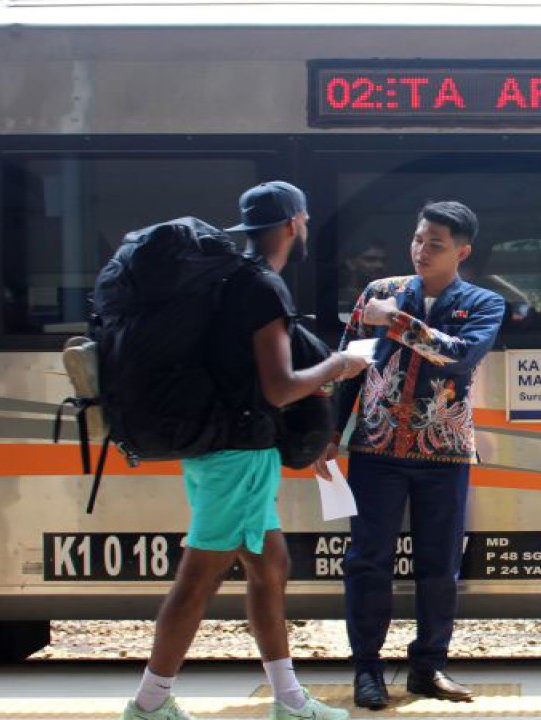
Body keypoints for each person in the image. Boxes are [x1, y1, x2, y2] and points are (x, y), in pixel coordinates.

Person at [121, 181, 371, 720]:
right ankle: (148, 704)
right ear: (293, 224)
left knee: (269, 564)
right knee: (198, 578)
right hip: (237, 450)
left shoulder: (229, 279)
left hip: (224, 446)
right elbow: (279, 387)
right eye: (303, 221)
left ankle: (288, 699)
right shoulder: (261, 287)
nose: (304, 229)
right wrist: (338, 366)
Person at [317, 201, 504, 708]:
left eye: (436, 244)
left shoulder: (484, 304)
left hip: (444, 452)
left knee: (439, 565)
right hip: (375, 448)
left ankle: (428, 667)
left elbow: (458, 356)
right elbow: (347, 365)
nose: (422, 250)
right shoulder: (376, 294)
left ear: (462, 252)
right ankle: (367, 670)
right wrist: (330, 434)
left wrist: (396, 322)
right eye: (419, 239)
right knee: (367, 561)